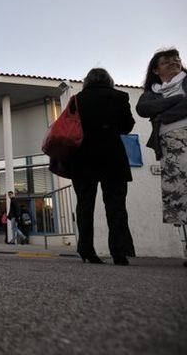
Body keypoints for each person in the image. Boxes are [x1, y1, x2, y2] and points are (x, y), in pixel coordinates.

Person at [67, 68, 136, 265]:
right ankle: (119, 253)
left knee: (85, 204)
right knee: (116, 205)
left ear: (87, 81)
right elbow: (127, 126)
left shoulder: (77, 99)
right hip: (112, 157)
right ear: (109, 80)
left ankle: (86, 250)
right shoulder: (120, 97)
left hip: (82, 157)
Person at [136, 48, 187, 268]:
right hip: (170, 147)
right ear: (156, 70)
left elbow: (159, 113)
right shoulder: (151, 92)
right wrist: (177, 101)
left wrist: (163, 114)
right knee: (181, 196)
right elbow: (144, 109)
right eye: (167, 62)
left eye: (176, 59)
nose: (174, 63)